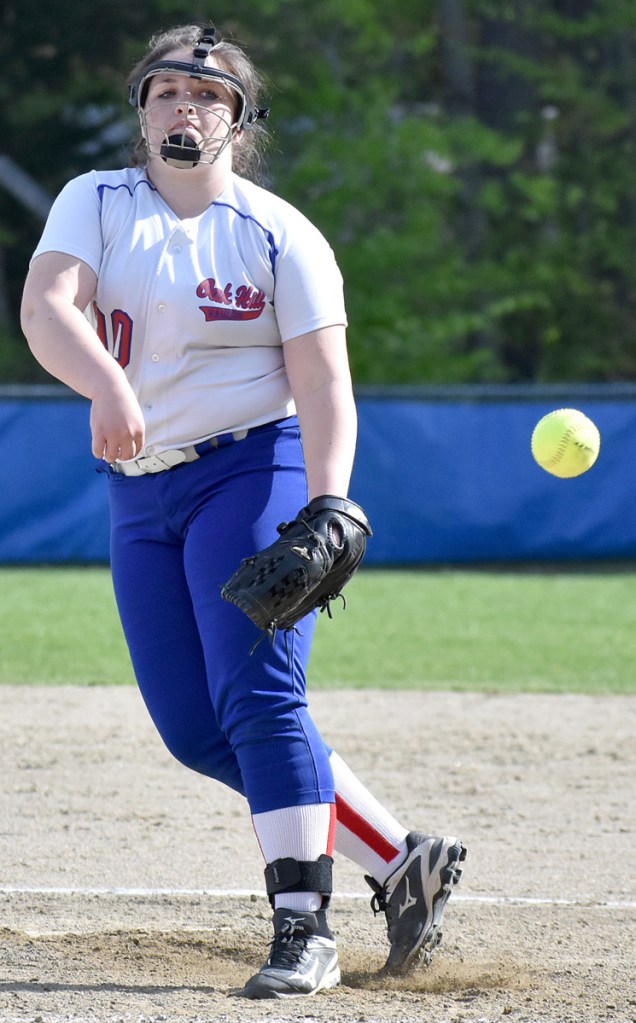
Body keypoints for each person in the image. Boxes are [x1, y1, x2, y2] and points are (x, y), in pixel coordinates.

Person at [21, 23, 466, 999]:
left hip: (247, 468)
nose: (187, 107)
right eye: (169, 90)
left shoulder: (278, 233)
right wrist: (105, 383)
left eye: (210, 95)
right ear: (140, 110)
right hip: (140, 490)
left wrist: (327, 501)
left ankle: (303, 928)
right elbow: (48, 307)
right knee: (195, 728)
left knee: (263, 700)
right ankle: (402, 863)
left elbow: (324, 386)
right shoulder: (95, 203)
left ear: (239, 119)